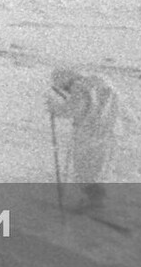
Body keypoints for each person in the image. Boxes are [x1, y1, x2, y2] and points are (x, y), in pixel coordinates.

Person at [46, 68, 118, 211]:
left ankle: (93, 203)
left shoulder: (80, 87)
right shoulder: (103, 82)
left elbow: (73, 109)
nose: (67, 91)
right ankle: (97, 200)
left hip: (88, 133)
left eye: (64, 87)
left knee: (85, 168)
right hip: (109, 131)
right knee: (100, 167)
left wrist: (54, 107)